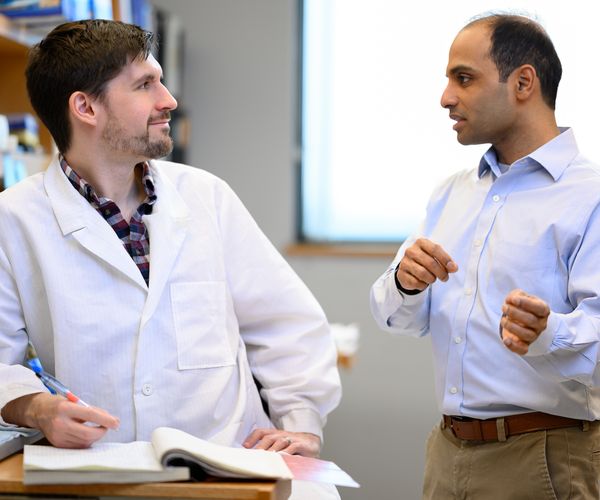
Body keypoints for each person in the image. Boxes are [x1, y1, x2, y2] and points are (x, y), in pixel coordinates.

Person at [0, 19, 341, 499]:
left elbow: (286, 324)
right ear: (85, 107)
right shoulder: (14, 218)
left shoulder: (206, 197)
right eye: (145, 85)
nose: (169, 100)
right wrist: (36, 408)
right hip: (100, 474)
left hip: (232, 469)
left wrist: (303, 423)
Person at [371, 13, 600, 499]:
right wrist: (405, 284)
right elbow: (396, 317)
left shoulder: (590, 197)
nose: (446, 97)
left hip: (543, 458)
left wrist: (549, 332)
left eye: (464, 78)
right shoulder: (450, 194)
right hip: (446, 452)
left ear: (522, 83)